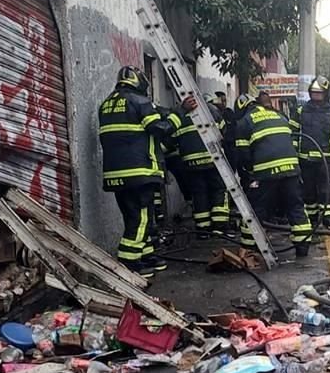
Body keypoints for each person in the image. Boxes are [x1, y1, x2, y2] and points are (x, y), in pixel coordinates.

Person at [99, 65, 188, 276]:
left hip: (116, 174)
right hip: (140, 171)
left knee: (135, 217)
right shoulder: (140, 101)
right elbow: (161, 129)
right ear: (139, 81)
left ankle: (146, 256)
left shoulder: (106, 104)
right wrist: (180, 113)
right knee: (140, 219)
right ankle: (128, 264)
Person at [234, 94, 312, 257]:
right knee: (295, 206)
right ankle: (303, 247)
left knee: (257, 209)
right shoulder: (278, 114)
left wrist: (250, 172)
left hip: (266, 171)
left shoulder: (244, 122)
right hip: (291, 168)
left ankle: (249, 248)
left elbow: (243, 154)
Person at [167, 95, 232, 238]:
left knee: (199, 194)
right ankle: (219, 228)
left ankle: (203, 230)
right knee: (219, 190)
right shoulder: (212, 110)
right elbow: (223, 131)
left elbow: (170, 140)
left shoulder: (179, 113)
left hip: (191, 163)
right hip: (213, 160)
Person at [291, 76, 330, 229]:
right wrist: (293, 154)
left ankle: (328, 220)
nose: (316, 96)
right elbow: (293, 133)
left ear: (326, 93)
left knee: (326, 191)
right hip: (305, 159)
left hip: (326, 159)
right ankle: (311, 219)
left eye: (319, 93)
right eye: (314, 93)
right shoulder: (300, 110)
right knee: (308, 192)